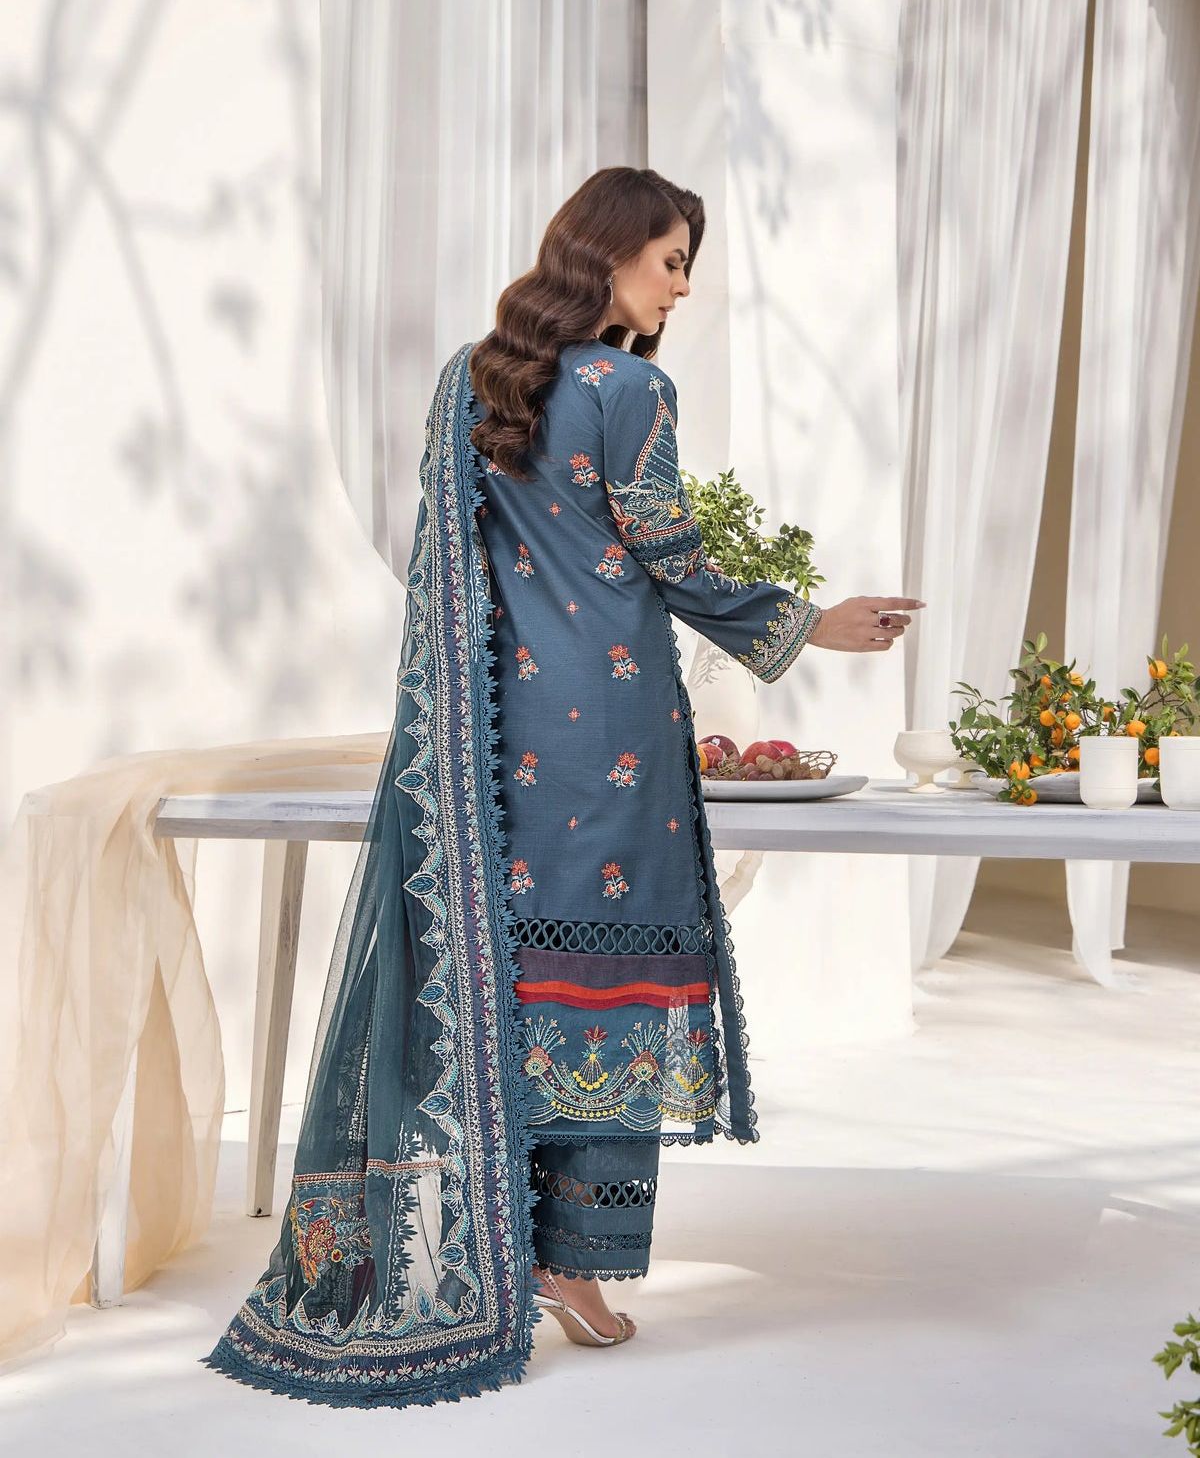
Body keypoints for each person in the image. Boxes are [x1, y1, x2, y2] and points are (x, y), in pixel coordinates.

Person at [200, 165, 922, 1407]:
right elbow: (672, 555)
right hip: (616, 727)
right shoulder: (631, 388)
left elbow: (448, 566)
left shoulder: (472, 384)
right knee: (614, 975)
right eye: (671, 260)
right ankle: (572, 1263)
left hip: (497, 736)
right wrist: (813, 622)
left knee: (514, 974)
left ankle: (481, 1242)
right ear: (610, 254)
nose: (682, 286)